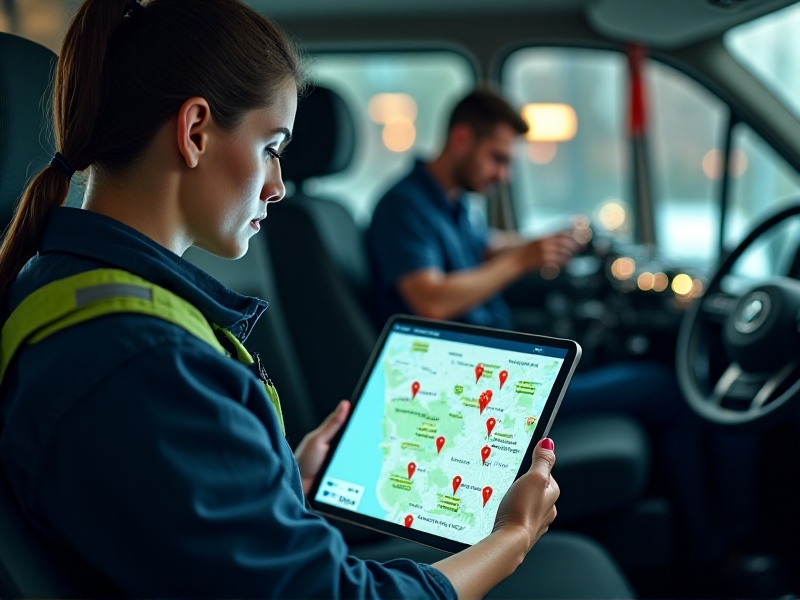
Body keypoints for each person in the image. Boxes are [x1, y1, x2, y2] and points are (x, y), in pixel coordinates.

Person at [0, 1, 569, 598]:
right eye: (272, 147)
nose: (278, 186)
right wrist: (510, 538)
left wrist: (279, 477)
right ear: (194, 132)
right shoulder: (143, 354)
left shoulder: (60, 285)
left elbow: (152, 504)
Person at [367, 88, 759, 570]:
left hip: (499, 373)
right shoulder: (402, 207)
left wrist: (554, 240)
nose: (502, 176)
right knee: (667, 387)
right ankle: (715, 553)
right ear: (462, 138)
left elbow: (487, 245)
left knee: (635, 369)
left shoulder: (446, 202)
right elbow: (428, 297)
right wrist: (524, 259)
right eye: (497, 159)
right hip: (474, 390)